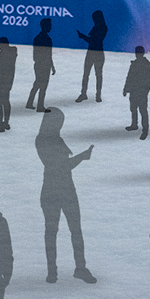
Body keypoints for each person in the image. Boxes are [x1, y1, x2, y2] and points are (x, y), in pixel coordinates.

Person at [35, 107, 96, 284]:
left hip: (66, 188)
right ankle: (52, 271)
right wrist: (82, 157)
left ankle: (79, 268)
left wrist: (80, 157)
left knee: (74, 230)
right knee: (52, 231)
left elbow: (63, 165)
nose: (61, 125)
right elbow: (60, 166)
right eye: (59, 121)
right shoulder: (43, 140)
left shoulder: (55, 139)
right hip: (54, 189)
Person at [125, 45, 150, 140]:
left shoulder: (147, 65)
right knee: (133, 109)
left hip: (141, 92)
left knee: (143, 110)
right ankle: (134, 125)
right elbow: (129, 77)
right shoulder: (134, 64)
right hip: (133, 91)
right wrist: (126, 89)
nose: (137, 55)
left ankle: (145, 129)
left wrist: (144, 90)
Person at [76, 10, 107, 102]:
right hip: (90, 52)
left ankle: (98, 95)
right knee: (86, 74)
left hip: (98, 53)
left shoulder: (103, 28)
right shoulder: (95, 27)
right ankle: (83, 94)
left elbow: (94, 41)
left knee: (98, 75)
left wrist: (82, 36)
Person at [25, 19, 55, 112]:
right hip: (41, 66)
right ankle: (38, 106)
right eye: (49, 25)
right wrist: (44, 64)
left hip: (45, 65)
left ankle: (31, 104)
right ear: (45, 26)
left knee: (38, 85)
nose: (51, 27)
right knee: (41, 85)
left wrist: (52, 66)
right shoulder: (40, 39)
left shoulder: (44, 38)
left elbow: (49, 55)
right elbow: (36, 55)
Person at [0, 37, 18, 132]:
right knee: (5, 102)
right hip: (7, 82)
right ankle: (6, 122)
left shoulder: (4, 53)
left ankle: (0, 124)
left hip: (0, 81)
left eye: (0, 45)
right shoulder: (11, 53)